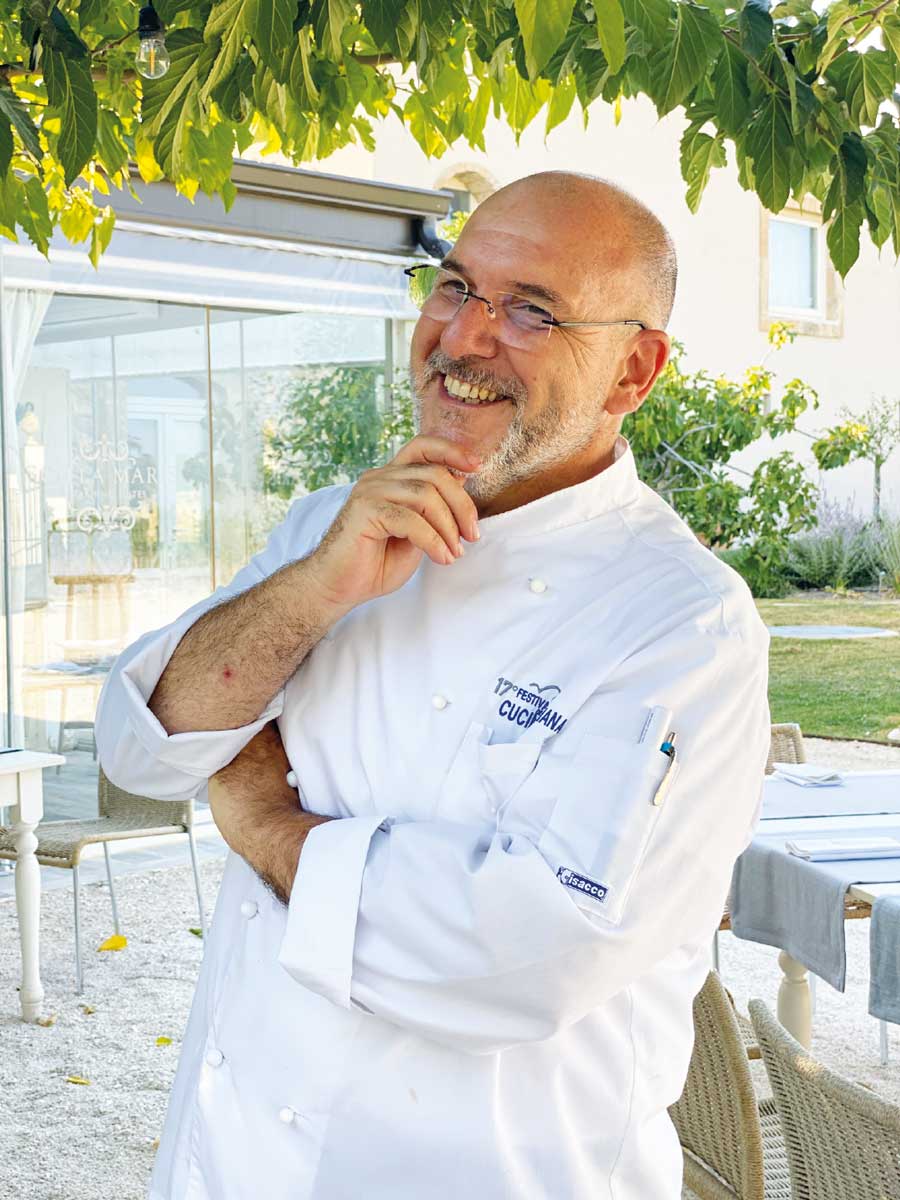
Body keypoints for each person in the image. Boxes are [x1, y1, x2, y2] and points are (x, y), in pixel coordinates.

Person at [96, 171, 770, 1200]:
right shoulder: (331, 522)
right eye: (455, 287)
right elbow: (140, 752)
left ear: (632, 372)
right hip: (232, 1159)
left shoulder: (682, 624)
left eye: (531, 310)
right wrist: (315, 590)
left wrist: (267, 822)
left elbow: (531, 952)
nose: (464, 336)